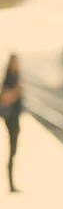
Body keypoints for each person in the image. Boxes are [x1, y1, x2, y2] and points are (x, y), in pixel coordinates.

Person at [1, 54, 23, 193]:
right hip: (11, 117)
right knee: (12, 149)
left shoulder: (14, 75)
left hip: (14, 117)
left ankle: (11, 182)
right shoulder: (10, 77)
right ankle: (10, 183)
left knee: (13, 149)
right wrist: (17, 90)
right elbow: (5, 97)